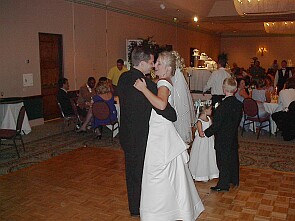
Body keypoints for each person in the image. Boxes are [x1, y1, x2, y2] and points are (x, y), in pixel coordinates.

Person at [133, 51, 204, 220]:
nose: (155, 65)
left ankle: (159, 212)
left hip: (161, 133)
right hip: (161, 131)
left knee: (156, 172)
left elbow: (161, 104)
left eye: (158, 63)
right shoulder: (164, 80)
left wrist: (143, 89)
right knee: (168, 172)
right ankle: (173, 208)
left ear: (168, 68)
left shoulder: (164, 82)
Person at [117, 46, 177, 217]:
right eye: (151, 62)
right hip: (141, 136)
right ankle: (140, 207)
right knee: (140, 174)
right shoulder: (147, 84)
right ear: (142, 63)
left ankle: (133, 207)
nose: (152, 66)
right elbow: (170, 114)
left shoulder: (122, 79)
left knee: (131, 173)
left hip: (126, 134)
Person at [204, 78, 243, 192]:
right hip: (232, 136)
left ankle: (223, 184)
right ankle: (234, 179)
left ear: (223, 89)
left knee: (223, 161)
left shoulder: (223, 106)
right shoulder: (239, 104)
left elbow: (217, 124)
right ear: (235, 89)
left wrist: (206, 133)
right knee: (232, 158)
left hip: (222, 137)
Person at [189, 101, 219, 182]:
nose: (211, 111)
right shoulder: (199, 121)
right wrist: (207, 132)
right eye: (210, 109)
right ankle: (201, 174)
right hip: (202, 142)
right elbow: (201, 134)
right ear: (205, 110)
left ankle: (210, 173)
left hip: (209, 141)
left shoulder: (209, 119)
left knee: (210, 156)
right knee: (202, 156)